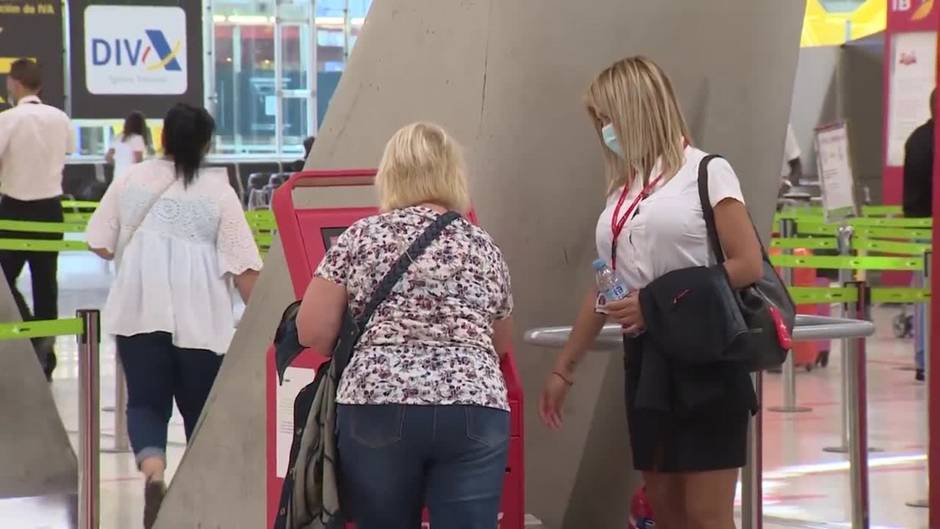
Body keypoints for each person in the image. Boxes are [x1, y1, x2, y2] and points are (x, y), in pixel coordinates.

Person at [539, 56, 764, 529]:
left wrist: (653, 301)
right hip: (646, 363)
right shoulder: (623, 192)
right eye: (598, 121)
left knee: (706, 515)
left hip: (707, 357)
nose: (604, 129)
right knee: (665, 510)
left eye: (608, 117)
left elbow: (746, 264)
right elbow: (607, 285)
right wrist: (565, 366)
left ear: (638, 108)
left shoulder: (706, 171)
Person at [295, 122, 514, 529]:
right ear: (453, 174)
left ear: (390, 174)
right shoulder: (483, 245)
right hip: (472, 407)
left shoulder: (362, 236)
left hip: (378, 405)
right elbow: (500, 343)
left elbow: (313, 332)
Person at [86, 103, 262, 529]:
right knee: (200, 410)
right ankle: (202, 500)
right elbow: (244, 269)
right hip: (201, 319)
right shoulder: (218, 190)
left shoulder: (131, 180)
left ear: (162, 138)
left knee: (146, 403)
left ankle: (153, 471)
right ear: (206, 143)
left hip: (139, 311)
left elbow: (99, 242)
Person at [0, 58, 75, 380]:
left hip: (14, 209)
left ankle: (30, 337)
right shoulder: (60, 118)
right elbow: (66, 153)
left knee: (4, 280)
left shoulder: (8, 119)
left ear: (14, 83)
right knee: (46, 282)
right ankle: (45, 349)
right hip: (50, 209)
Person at [902, 88, 935, 382]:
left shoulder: (917, 137)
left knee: (922, 296)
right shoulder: (932, 140)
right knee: (927, 295)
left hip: (916, 225)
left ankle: (923, 358)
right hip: (929, 228)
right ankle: (926, 358)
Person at [106, 111, 150, 180]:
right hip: (130, 177)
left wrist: (119, 164)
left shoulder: (118, 137)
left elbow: (108, 157)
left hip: (117, 176)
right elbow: (138, 161)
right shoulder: (137, 138)